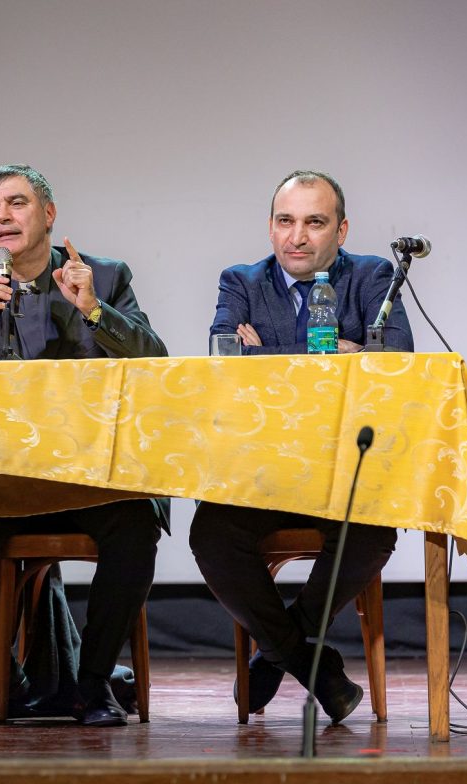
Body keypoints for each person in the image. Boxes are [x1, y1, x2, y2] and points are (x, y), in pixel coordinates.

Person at [0, 164, 168, 727]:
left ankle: (94, 680)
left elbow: (154, 357)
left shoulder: (103, 275)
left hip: (88, 474)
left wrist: (94, 310)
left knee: (136, 527)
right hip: (0, 477)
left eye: (16, 204)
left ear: (48, 216)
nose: (2, 216)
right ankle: (0, 673)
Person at [190, 170, 413, 723]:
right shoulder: (240, 281)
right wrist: (337, 350)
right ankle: (315, 667)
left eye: (315, 222)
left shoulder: (371, 275)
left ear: (340, 229)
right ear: (270, 228)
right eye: (286, 221)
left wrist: (268, 351)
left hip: (341, 472)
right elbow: (223, 360)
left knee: (373, 529)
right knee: (211, 533)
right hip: (261, 470)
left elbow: (397, 362)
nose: (299, 236)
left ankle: (276, 655)